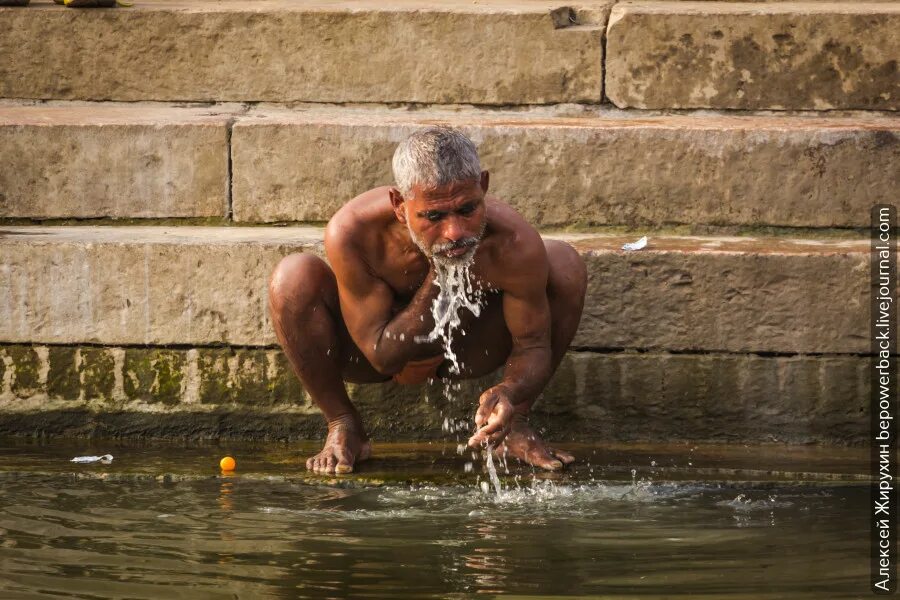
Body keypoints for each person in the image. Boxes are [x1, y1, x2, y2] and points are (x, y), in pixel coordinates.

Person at [269, 127, 587, 475]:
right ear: (399, 206)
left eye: (467, 209)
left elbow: (532, 347)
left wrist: (511, 391)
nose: (455, 232)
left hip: (468, 349)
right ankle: (344, 424)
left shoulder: (510, 240)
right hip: (375, 351)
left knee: (563, 263)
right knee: (292, 279)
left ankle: (512, 424)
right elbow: (383, 357)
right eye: (434, 217)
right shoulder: (354, 232)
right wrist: (442, 274)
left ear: (483, 186)